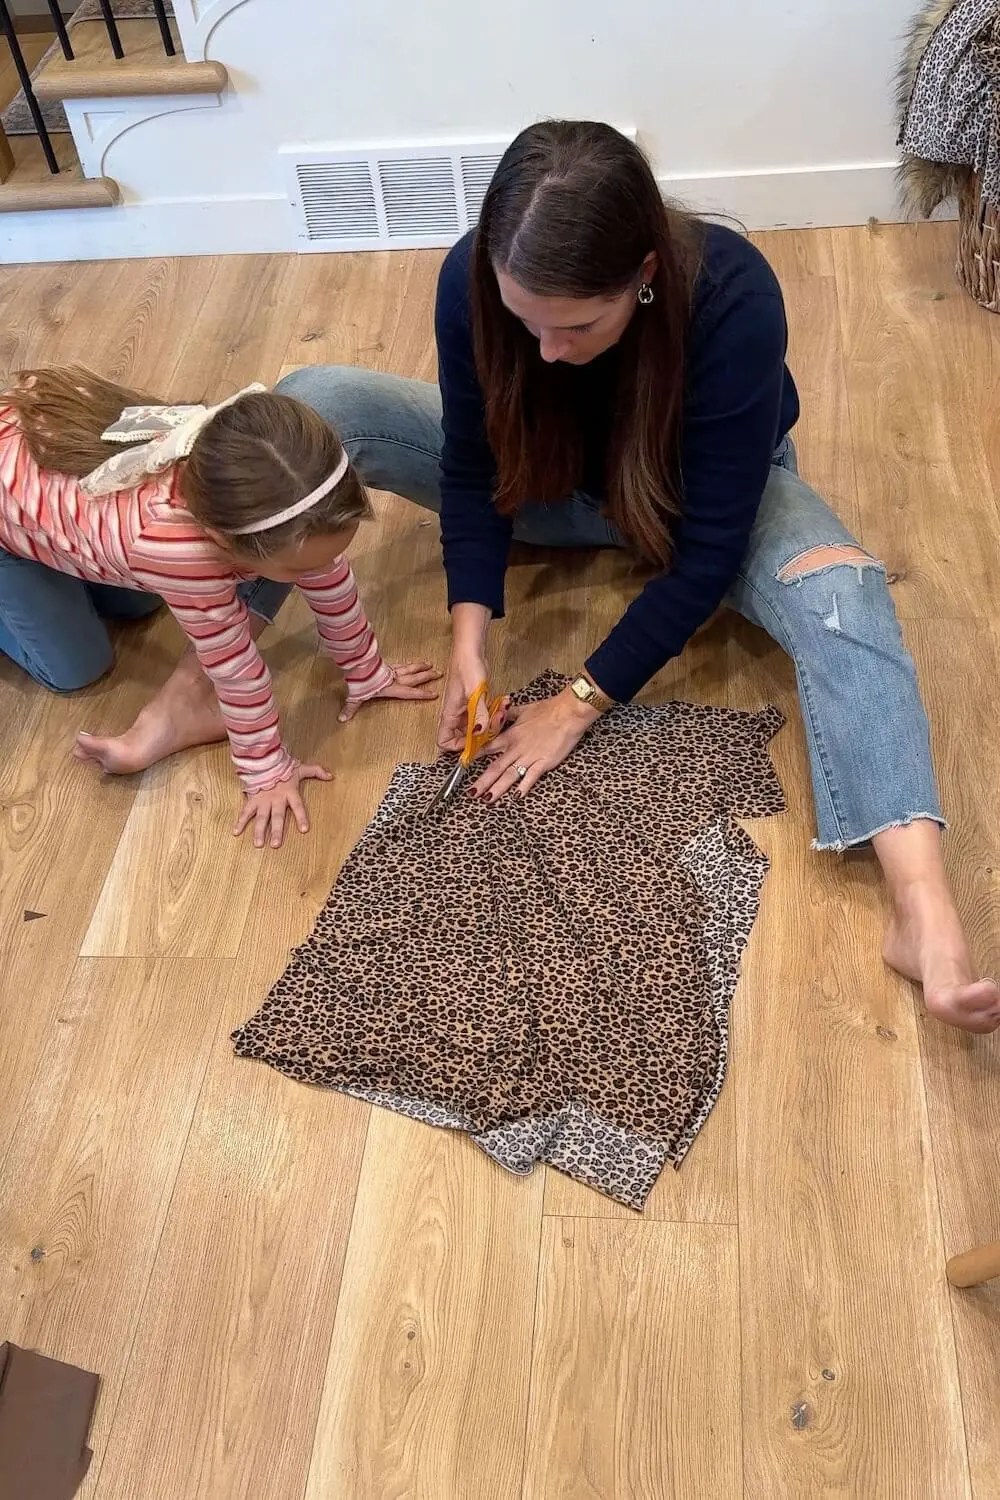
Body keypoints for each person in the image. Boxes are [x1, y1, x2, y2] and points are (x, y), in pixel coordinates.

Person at [274, 120, 999, 1034]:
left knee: (845, 596)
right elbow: (470, 463)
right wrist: (470, 634)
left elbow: (707, 556)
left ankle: (921, 907)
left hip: (697, 503)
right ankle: (200, 672)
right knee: (311, 402)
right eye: (523, 320)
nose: (544, 351)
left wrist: (577, 703)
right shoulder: (473, 280)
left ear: (646, 273)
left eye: (576, 325)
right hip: (548, 483)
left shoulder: (733, 294)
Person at [0, 367, 440, 848]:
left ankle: (63, 560)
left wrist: (365, 670)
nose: (318, 571)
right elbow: (234, 670)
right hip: (13, 531)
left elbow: (329, 576)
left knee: (137, 607)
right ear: (221, 541)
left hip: (58, 503)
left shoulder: (243, 475)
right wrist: (266, 771)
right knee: (77, 667)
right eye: (296, 570)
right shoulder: (175, 549)